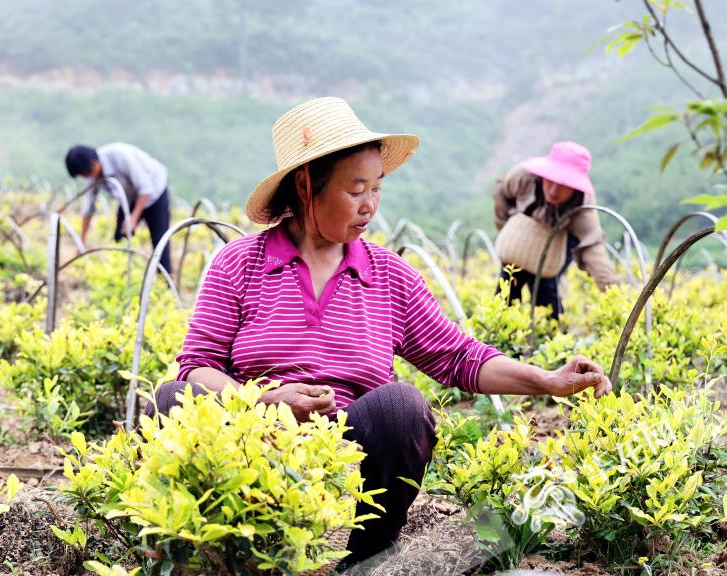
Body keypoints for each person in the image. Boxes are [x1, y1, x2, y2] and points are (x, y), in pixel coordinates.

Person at [147, 97, 613, 567]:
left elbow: (459, 357)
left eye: (377, 188)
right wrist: (264, 401)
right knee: (172, 398)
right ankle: (211, 553)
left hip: (348, 440)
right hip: (252, 432)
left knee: (402, 406)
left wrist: (549, 381)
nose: (370, 205)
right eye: (355, 190)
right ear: (308, 185)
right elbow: (199, 366)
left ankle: (367, 559)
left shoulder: (390, 275)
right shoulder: (240, 263)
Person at [493, 141, 620, 320]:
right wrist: (507, 228)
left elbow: (593, 249)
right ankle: (501, 333)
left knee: (545, 290)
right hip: (524, 232)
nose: (553, 191)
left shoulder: (582, 208)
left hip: (558, 241)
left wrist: (615, 295)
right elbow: (502, 195)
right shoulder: (522, 177)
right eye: (550, 181)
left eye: (563, 185)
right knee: (508, 286)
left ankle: (549, 334)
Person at [64, 143, 172, 273]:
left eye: (87, 174)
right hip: (129, 197)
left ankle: (164, 279)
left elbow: (146, 189)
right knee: (120, 237)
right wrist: (81, 241)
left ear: (94, 163)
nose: (88, 178)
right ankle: (122, 274)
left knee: (159, 240)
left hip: (154, 192)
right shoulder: (92, 173)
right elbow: (89, 209)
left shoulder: (120, 156)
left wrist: (133, 219)